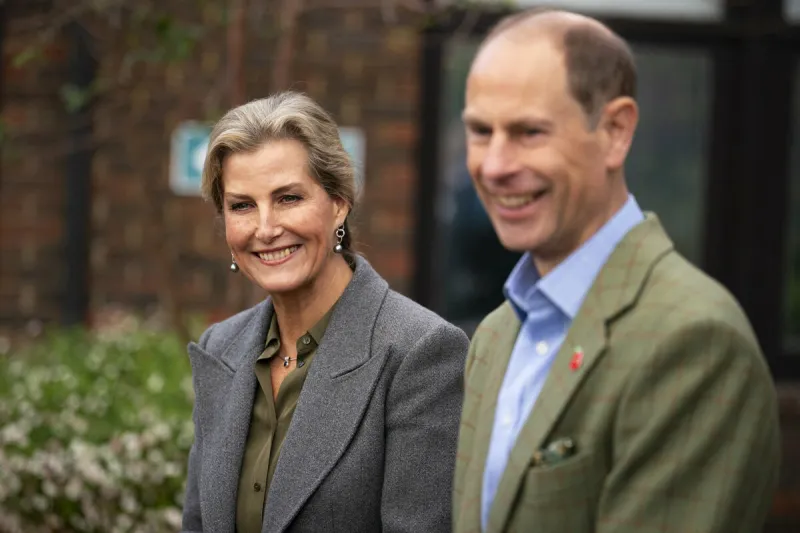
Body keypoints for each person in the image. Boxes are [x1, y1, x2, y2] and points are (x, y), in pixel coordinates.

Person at [452, 8, 780, 533]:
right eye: (480, 131)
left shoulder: (694, 340)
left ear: (615, 131)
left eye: (529, 132)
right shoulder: (494, 338)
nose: (494, 165)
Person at [181, 91, 469, 533]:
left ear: (339, 202)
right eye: (242, 205)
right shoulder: (221, 347)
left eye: (289, 198)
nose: (266, 228)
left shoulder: (421, 354)